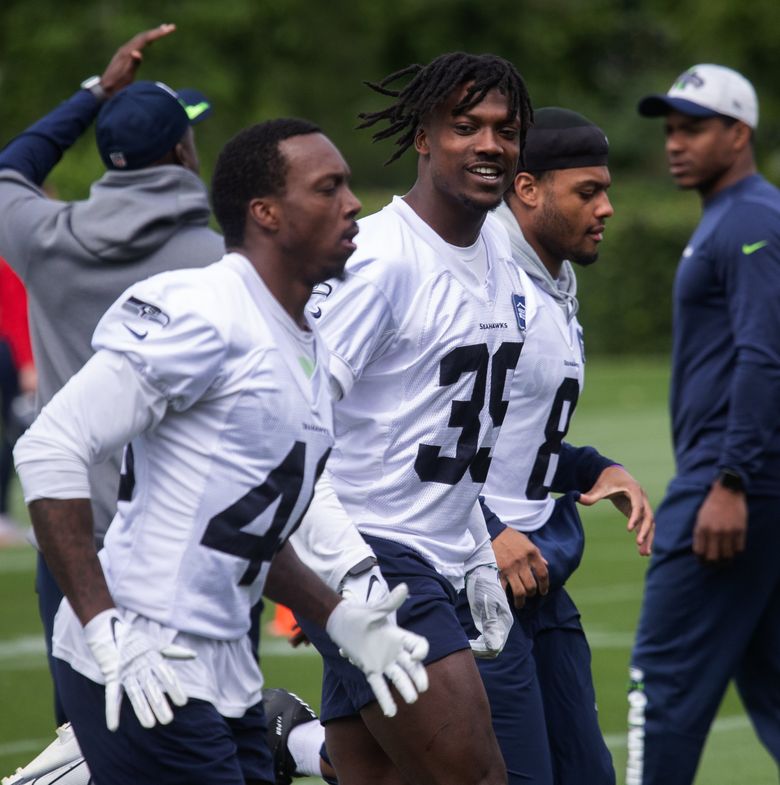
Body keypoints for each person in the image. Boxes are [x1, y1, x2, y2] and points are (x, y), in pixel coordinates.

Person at [11, 117, 428, 785]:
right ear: (265, 213)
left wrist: (339, 615)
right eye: (329, 188)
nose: (353, 203)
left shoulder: (306, 342)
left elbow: (247, 527)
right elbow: (48, 450)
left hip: (223, 665)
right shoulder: (202, 309)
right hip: (142, 659)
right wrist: (104, 624)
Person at [289, 52, 536, 785]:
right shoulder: (381, 259)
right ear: (424, 137)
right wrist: (350, 572)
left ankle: (276, 746)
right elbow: (290, 425)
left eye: (505, 128)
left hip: (432, 551)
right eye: (466, 126)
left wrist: (474, 553)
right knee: (479, 776)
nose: (490, 143)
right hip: (374, 554)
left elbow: (449, 433)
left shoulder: (497, 245)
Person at [0, 24, 225, 723]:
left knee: (87, 748)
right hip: (184, 547)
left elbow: (13, 164)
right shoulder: (223, 263)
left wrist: (96, 95)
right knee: (205, 742)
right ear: (183, 153)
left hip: (69, 536)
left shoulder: (44, 237)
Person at [454, 107, 653, 785]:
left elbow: (515, 437)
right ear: (528, 188)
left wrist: (596, 467)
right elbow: (415, 440)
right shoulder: (479, 281)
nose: (608, 208)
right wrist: (486, 529)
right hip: (472, 573)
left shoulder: (552, 281)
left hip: (538, 571)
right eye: (588, 191)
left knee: (586, 773)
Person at [627, 64, 780, 785]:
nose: (674, 143)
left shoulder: (750, 219)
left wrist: (731, 478)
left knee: (659, 688)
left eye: (693, 127)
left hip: (728, 486)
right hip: (745, 483)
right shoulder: (733, 216)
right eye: (669, 130)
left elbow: (764, 354)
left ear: (739, 133)